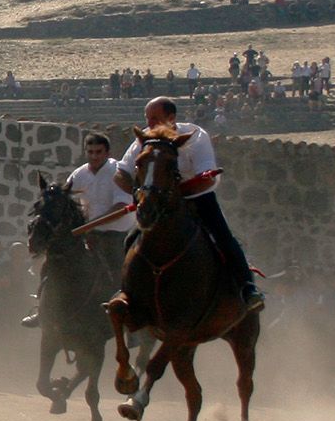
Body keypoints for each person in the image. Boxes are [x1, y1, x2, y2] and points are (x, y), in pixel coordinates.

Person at [113, 97, 265, 313]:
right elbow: (120, 175)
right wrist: (140, 195)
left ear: (171, 117)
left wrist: (175, 195)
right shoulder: (144, 141)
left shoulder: (196, 136)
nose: (150, 123)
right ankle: (126, 292)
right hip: (157, 203)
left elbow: (207, 178)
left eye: (155, 118)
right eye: (147, 118)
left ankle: (247, 289)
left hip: (198, 199)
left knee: (223, 238)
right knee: (131, 240)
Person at [22, 132, 133, 327]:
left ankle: (128, 316)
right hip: (87, 234)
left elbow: (120, 208)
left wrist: (90, 225)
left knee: (119, 271)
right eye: (90, 152)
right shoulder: (80, 174)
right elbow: (64, 200)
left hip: (117, 234)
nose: (94, 156)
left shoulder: (118, 172)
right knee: (53, 262)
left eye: (98, 152)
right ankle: (43, 308)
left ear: (107, 152)